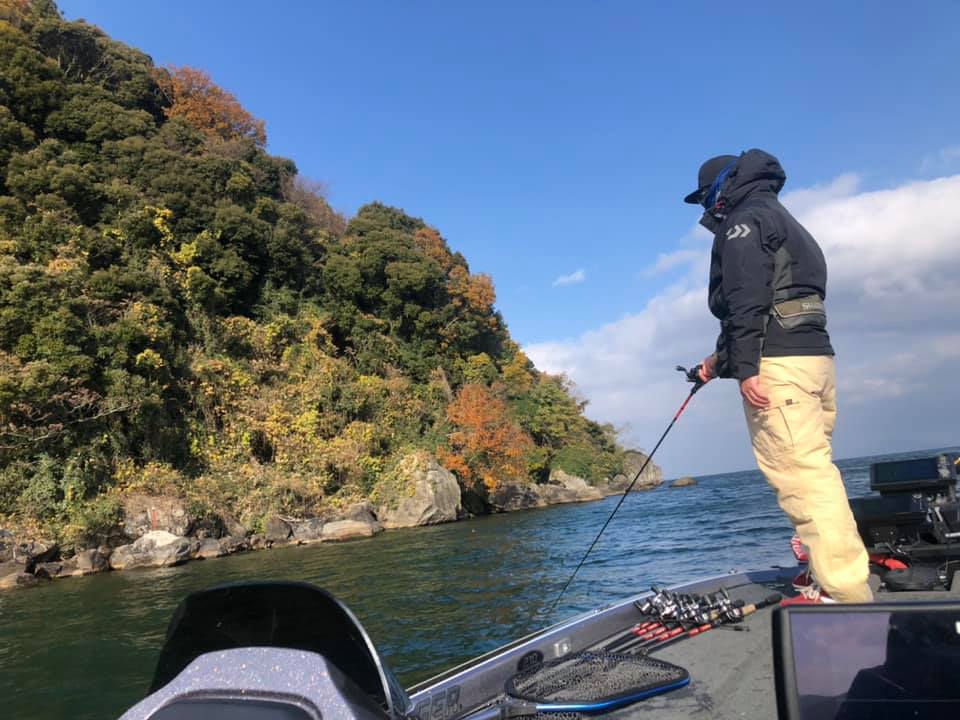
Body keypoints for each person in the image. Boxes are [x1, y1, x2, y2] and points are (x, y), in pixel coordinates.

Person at [685, 149, 872, 604]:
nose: (706, 207)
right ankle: (824, 573)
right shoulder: (785, 220)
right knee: (816, 469)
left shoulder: (742, 223)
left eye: (706, 197)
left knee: (802, 478)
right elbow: (780, 302)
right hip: (815, 360)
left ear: (722, 187)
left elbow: (747, 300)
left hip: (778, 370)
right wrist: (718, 362)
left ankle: (844, 592)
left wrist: (747, 368)